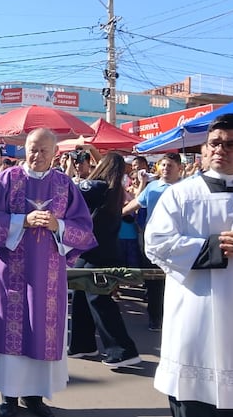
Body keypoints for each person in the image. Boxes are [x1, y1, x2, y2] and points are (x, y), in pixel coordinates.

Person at [144, 113, 233, 417]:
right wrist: (211, 247)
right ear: (204, 148)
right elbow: (156, 243)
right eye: (214, 143)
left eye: (231, 143)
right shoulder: (180, 195)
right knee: (195, 403)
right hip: (195, 316)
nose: (221, 149)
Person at [0, 128, 97, 417]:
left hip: (48, 277)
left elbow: (84, 230)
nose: (36, 156)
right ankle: (8, 397)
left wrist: (57, 227)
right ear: (25, 148)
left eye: (43, 151)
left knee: (43, 331)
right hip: (11, 273)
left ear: (54, 154)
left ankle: (35, 396)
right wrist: (21, 221)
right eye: (32, 149)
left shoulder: (65, 184)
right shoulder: (7, 178)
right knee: (9, 329)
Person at [68, 152, 142, 368]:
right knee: (81, 293)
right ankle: (83, 345)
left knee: (98, 299)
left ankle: (123, 350)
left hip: (98, 252)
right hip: (98, 250)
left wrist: (70, 170)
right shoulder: (113, 189)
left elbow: (70, 190)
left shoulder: (98, 186)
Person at [122, 152, 183, 331]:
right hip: (153, 240)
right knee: (154, 281)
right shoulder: (152, 187)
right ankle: (156, 318)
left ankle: (174, 316)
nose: (165, 168)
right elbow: (135, 205)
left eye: (170, 165)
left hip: (177, 241)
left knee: (173, 280)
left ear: (179, 168)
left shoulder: (185, 188)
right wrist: (117, 213)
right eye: (163, 165)